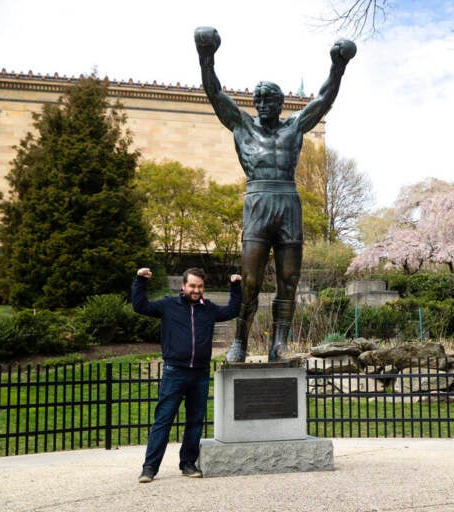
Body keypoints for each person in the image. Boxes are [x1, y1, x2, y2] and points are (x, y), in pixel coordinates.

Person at [193, 26, 356, 362]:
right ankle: (240, 341)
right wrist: (206, 57)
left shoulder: (294, 126)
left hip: (288, 203)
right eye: (258, 99)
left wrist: (337, 66)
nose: (263, 104)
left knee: (289, 280)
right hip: (258, 202)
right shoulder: (241, 124)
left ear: (282, 104)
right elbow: (215, 94)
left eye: (270, 99)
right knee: (251, 281)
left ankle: (278, 345)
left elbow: (323, 99)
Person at [131, 267, 242, 483]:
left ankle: (188, 463)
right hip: (175, 371)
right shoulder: (168, 306)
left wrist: (235, 287)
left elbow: (232, 310)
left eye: (200, 286)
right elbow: (140, 306)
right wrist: (140, 281)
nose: (196, 290)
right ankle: (149, 468)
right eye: (192, 286)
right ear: (183, 286)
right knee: (163, 420)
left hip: (200, 373)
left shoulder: (208, 309)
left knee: (195, 421)